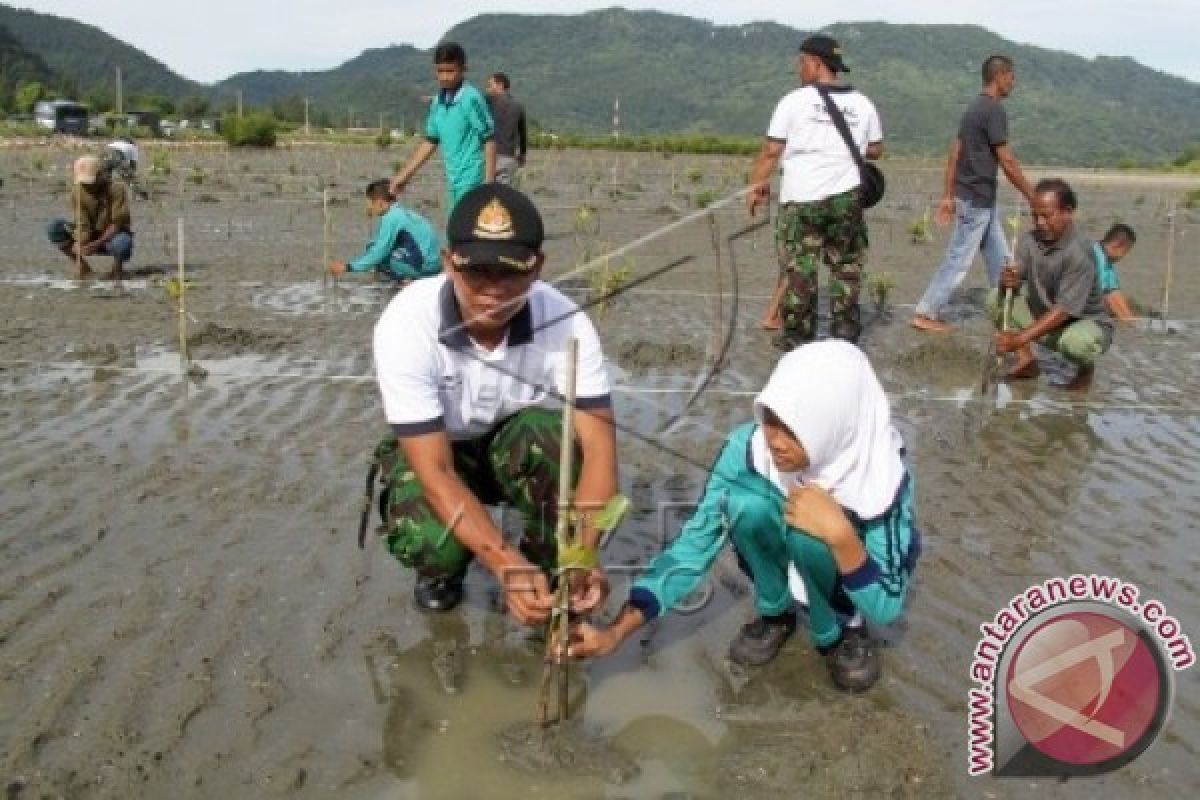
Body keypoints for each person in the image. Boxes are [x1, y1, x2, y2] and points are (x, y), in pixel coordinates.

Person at [569, 341, 920, 692]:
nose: (777, 442)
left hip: (842, 570)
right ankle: (776, 612)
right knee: (744, 503)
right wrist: (616, 631)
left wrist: (841, 536)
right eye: (771, 420)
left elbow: (887, 607)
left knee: (812, 535)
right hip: (781, 541)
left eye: (796, 430)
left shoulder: (879, 479)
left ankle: (838, 629)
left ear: (834, 426)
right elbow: (693, 546)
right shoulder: (749, 450)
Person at [370, 183, 618, 622]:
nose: (493, 289)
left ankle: (552, 566)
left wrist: (583, 553)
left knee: (555, 438)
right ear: (449, 263)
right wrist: (503, 563)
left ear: (537, 267)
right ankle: (442, 571)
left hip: (514, 448)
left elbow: (600, 451)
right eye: (477, 271)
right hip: (442, 455)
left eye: (510, 273)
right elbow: (436, 470)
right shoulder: (408, 323)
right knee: (434, 541)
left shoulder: (568, 324)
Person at [747, 34, 884, 347]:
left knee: (800, 268)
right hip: (847, 199)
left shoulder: (793, 102)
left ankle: (797, 337)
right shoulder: (863, 105)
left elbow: (771, 150)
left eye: (802, 62)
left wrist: (756, 187)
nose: (799, 69)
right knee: (846, 266)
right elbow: (875, 149)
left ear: (816, 63)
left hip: (801, 200)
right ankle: (845, 337)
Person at [911, 55, 1036, 334]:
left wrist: (948, 195)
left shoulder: (972, 110)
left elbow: (955, 153)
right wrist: (1033, 196)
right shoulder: (993, 111)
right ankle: (925, 311)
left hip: (979, 199)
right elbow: (1007, 160)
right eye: (1011, 77)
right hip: (976, 199)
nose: (1013, 83)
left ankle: (1006, 310)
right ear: (1000, 76)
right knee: (959, 260)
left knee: (1001, 260)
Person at [992, 178, 1111, 391]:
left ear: (1068, 212)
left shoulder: (1079, 251)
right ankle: (1027, 361)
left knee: (1076, 344)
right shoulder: (1030, 240)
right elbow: (1014, 282)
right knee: (994, 299)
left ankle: (1085, 371)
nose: (1039, 222)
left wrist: (1018, 338)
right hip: (1044, 314)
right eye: (1035, 215)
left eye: (1046, 216)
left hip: (1080, 323)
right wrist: (1007, 282)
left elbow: (1064, 310)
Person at [390, 41, 496, 212]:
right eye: (441, 71)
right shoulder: (438, 102)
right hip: (453, 178)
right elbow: (430, 141)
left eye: (450, 71)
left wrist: (490, 182)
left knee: (463, 230)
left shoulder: (471, 98)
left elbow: (489, 139)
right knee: (454, 229)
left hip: (473, 178)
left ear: (463, 69)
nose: (445, 76)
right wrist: (404, 175)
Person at [328, 179, 442, 284]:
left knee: (380, 260)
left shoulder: (391, 217)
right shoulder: (403, 212)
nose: (369, 208)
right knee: (375, 248)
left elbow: (379, 252)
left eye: (370, 204)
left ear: (380, 203)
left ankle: (405, 282)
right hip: (436, 264)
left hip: (425, 266)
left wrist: (348, 267)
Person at [46, 155, 133, 279]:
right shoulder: (78, 191)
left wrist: (96, 244)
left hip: (111, 236)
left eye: (90, 181)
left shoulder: (116, 189)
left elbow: (118, 223)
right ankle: (82, 266)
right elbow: (82, 221)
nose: (87, 185)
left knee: (123, 242)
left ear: (100, 175)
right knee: (54, 227)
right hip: (90, 233)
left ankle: (117, 269)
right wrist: (80, 242)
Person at [485, 72, 527, 185]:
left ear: (500, 85)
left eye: (490, 85)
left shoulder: (489, 100)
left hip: (490, 156)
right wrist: (522, 154)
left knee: (485, 195)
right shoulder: (518, 106)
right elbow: (523, 134)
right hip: (509, 157)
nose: (487, 89)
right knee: (503, 195)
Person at [1094, 223, 1138, 323]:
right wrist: (1128, 322)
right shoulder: (1095, 257)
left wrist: (1132, 320)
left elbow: (1114, 292)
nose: (1124, 256)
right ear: (1117, 245)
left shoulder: (1106, 260)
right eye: (1125, 251)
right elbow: (1109, 297)